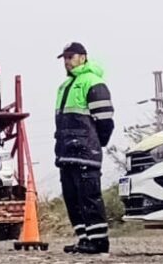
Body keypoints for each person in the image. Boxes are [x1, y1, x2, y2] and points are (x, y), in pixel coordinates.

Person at [54, 42, 115, 255]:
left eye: (71, 57)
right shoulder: (64, 86)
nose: (67, 61)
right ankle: (84, 239)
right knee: (72, 199)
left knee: (89, 197)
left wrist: (97, 143)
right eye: (65, 58)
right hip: (66, 154)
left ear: (83, 57)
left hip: (86, 153)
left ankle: (99, 242)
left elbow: (105, 121)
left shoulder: (93, 82)